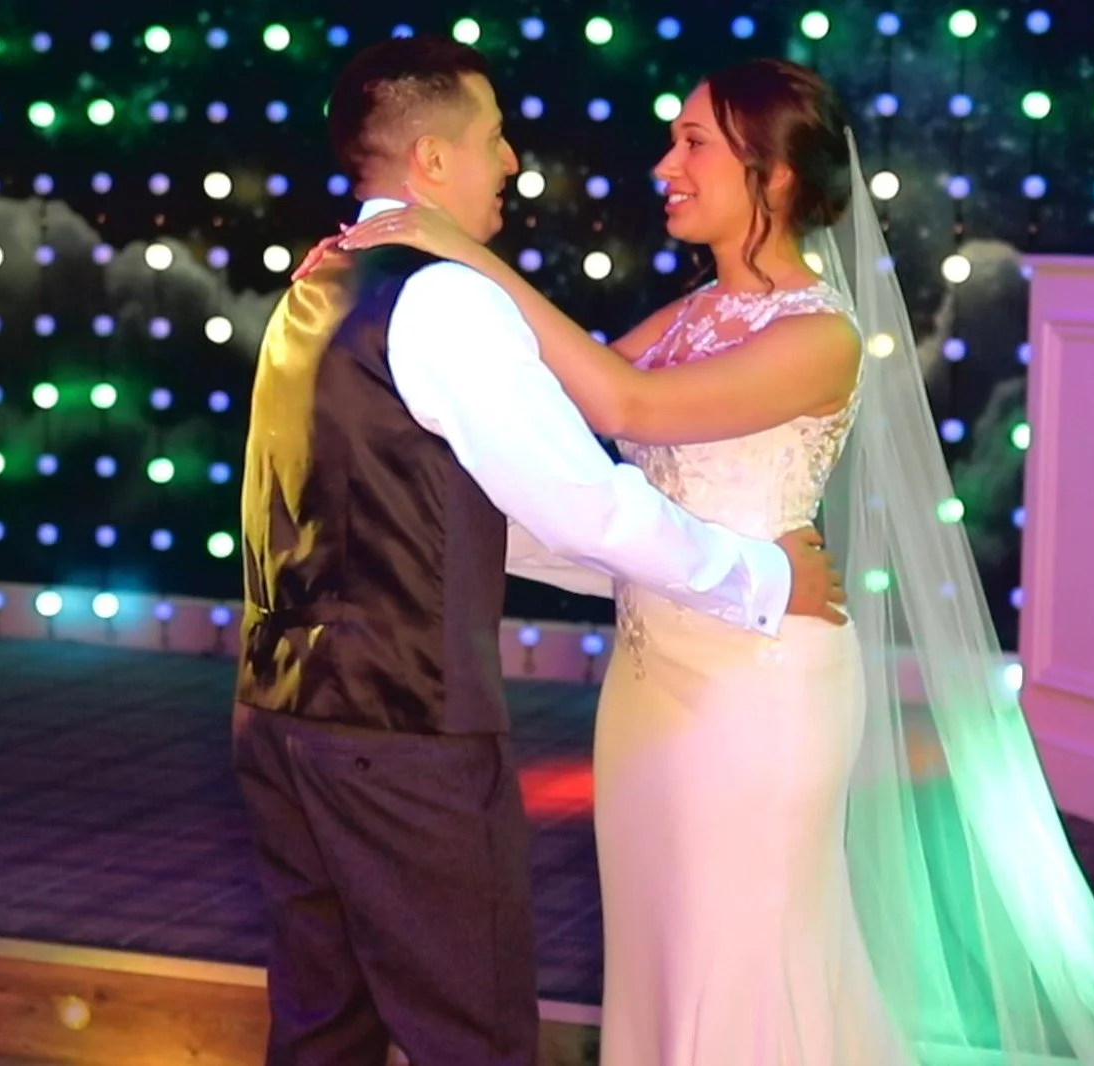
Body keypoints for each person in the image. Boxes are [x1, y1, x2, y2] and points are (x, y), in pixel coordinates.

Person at [339, 59, 1094, 1064]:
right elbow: (552, 414)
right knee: (663, 950)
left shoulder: (820, 334)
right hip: (650, 687)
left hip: (763, 688)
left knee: (742, 952)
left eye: (692, 143)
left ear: (773, 175)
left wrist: (463, 258)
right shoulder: (693, 314)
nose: (664, 165)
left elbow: (627, 407)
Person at [233, 37, 847, 1066]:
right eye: (493, 138)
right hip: (410, 720)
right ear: (432, 163)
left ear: (772, 173)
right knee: (468, 1033)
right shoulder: (439, 296)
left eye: (689, 141)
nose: (513, 161)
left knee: (323, 1025)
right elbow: (579, 494)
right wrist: (765, 576)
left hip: (283, 711)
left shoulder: (323, 283)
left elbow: (475, 503)